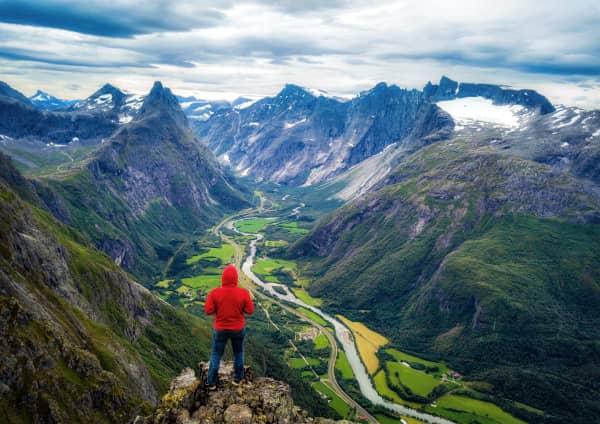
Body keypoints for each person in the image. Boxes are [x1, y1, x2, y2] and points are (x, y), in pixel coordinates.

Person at [204, 264, 254, 388]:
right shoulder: (243, 293)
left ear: (223, 278)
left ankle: (211, 383)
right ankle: (237, 379)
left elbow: (208, 310)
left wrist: (218, 310)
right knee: (238, 353)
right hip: (238, 328)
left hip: (220, 328)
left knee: (216, 354)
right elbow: (250, 310)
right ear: (236, 278)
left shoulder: (215, 293)